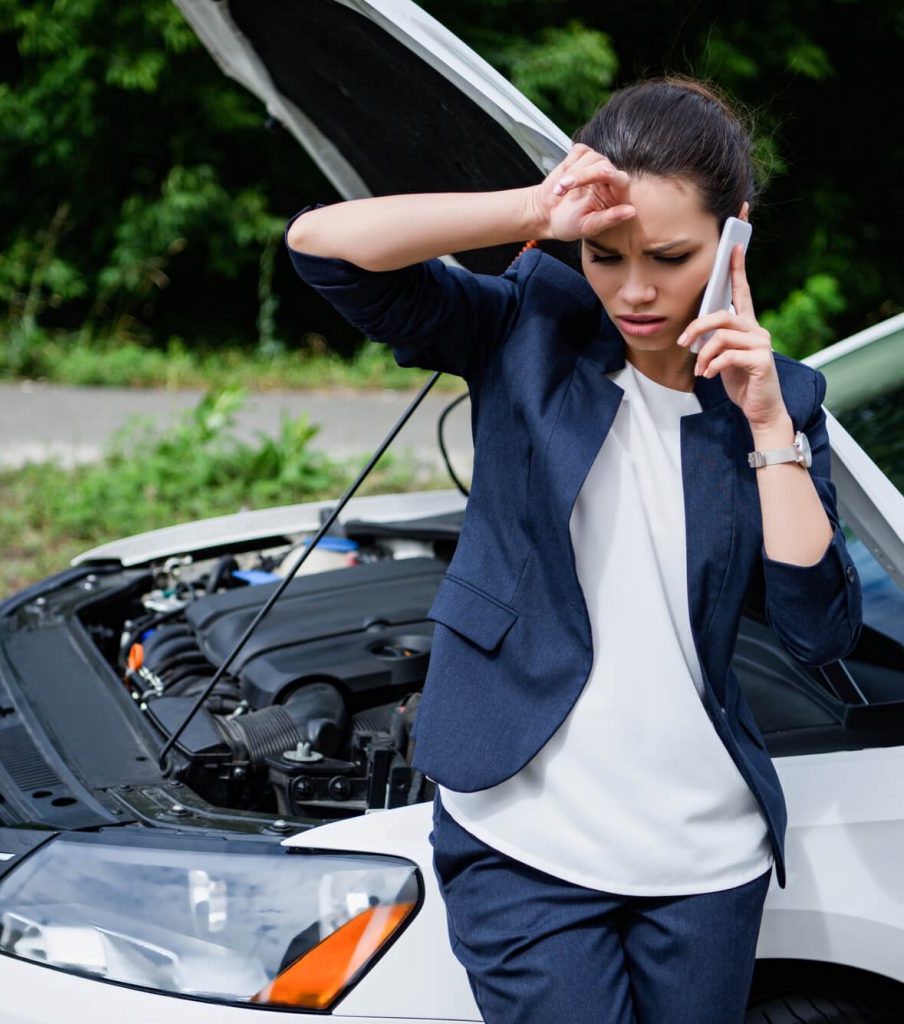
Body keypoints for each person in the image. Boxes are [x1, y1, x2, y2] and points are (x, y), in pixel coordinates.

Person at [283, 75, 862, 1024]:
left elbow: (819, 630)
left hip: (704, 858)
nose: (634, 290)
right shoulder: (529, 327)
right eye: (605, 254)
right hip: (524, 834)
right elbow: (324, 249)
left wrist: (768, 431)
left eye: (671, 258)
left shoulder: (781, 399)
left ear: (734, 239)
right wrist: (529, 209)